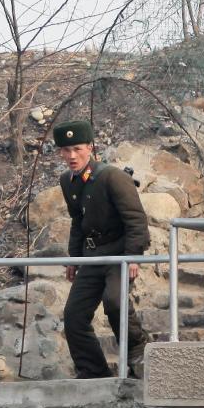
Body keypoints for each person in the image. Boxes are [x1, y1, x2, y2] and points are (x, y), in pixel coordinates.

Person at [53, 120, 150, 379]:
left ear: (90, 147)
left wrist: (132, 258)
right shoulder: (68, 181)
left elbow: (136, 219)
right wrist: (74, 258)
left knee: (114, 302)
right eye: (65, 150)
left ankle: (139, 353)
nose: (71, 156)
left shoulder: (112, 177)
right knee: (74, 315)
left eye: (77, 149)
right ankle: (93, 371)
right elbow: (77, 221)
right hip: (92, 256)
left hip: (118, 252)